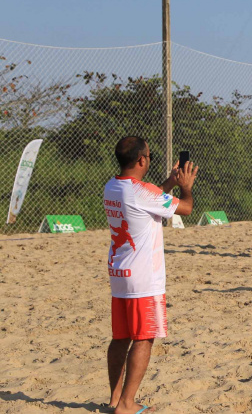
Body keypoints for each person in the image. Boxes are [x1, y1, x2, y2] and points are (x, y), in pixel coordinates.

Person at [104, 136, 197, 414]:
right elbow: (186, 209)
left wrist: (168, 183)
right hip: (144, 278)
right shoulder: (144, 193)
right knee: (144, 338)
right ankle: (127, 404)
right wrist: (186, 188)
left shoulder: (112, 186)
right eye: (149, 156)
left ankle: (115, 397)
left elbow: (148, 197)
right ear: (142, 160)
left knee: (120, 337)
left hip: (120, 274)